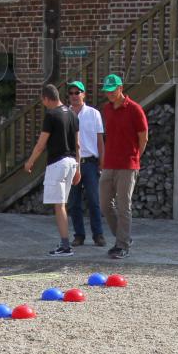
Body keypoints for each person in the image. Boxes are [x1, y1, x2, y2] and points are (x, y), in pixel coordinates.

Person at [24, 84, 81, 256]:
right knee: (62, 205)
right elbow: (78, 144)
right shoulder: (72, 114)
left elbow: (41, 144)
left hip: (58, 162)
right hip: (71, 162)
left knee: (59, 206)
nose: (44, 104)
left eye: (43, 100)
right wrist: (78, 167)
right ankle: (65, 244)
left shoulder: (51, 115)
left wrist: (30, 162)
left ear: (47, 98)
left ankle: (65, 246)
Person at [99, 73, 148, 260]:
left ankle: (122, 245)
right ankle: (123, 237)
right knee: (104, 203)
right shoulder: (106, 109)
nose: (109, 93)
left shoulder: (135, 109)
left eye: (112, 90)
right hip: (110, 163)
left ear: (121, 88)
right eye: (107, 90)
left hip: (128, 164)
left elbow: (143, 138)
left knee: (123, 204)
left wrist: (135, 157)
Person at [65, 80, 105, 247]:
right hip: (71, 162)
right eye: (71, 93)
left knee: (94, 200)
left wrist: (102, 162)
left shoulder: (94, 113)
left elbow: (100, 139)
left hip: (89, 162)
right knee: (74, 202)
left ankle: (98, 235)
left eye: (77, 92)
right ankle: (79, 235)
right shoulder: (65, 113)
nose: (74, 96)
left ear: (84, 94)